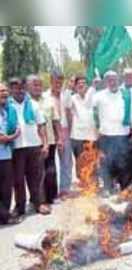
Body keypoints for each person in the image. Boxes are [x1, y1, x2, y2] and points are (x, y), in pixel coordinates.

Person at [9, 78, 51, 217]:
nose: (19, 90)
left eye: (21, 87)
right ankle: (20, 207)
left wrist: (45, 144)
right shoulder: (8, 106)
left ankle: (38, 203)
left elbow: (41, 125)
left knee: (36, 177)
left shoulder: (33, 104)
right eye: (15, 88)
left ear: (25, 88)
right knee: (18, 179)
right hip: (16, 148)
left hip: (34, 146)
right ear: (11, 90)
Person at [93, 71, 132, 195]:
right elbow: (93, 114)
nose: (112, 82)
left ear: (118, 80)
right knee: (106, 163)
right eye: (109, 80)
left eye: (114, 79)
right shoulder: (98, 96)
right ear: (106, 82)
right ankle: (108, 187)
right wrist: (96, 130)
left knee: (123, 163)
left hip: (122, 134)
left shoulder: (126, 94)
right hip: (106, 134)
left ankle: (124, 188)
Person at [27, 75, 62, 206]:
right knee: (34, 173)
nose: (37, 87)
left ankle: (52, 196)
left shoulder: (49, 101)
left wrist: (60, 139)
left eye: (39, 85)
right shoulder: (25, 102)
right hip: (32, 144)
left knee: (50, 170)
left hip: (50, 142)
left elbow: (56, 121)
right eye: (34, 85)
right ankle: (36, 199)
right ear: (28, 86)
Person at [43, 70, 73, 198]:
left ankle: (64, 189)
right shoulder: (45, 96)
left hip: (64, 130)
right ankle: (49, 191)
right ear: (51, 81)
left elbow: (69, 114)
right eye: (56, 82)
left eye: (60, 82)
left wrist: (69, 132)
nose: (58, 84)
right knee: (50, 163)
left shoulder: (66, 95)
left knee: (66, 161)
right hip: (50, 132)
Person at [0, 82, 22, 225]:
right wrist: (11, 136)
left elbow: (16, 129)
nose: (4, 93)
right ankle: (4, 215)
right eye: (1, 91)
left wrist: (10, 137)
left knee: (7, 188)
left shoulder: (8, 110)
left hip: (6, 154)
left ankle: (5, 215)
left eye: (5, 91)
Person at [68, 75, 98, 178]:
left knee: (92, 161)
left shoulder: (94, 97)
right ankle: (83, 185)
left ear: (87, 85)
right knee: (80, 162)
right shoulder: (71, 99)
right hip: (77, 136)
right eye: (78, 83)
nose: (81, 85)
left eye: (83, 83)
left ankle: (93, 185)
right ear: (75, 86)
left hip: (91, 135)